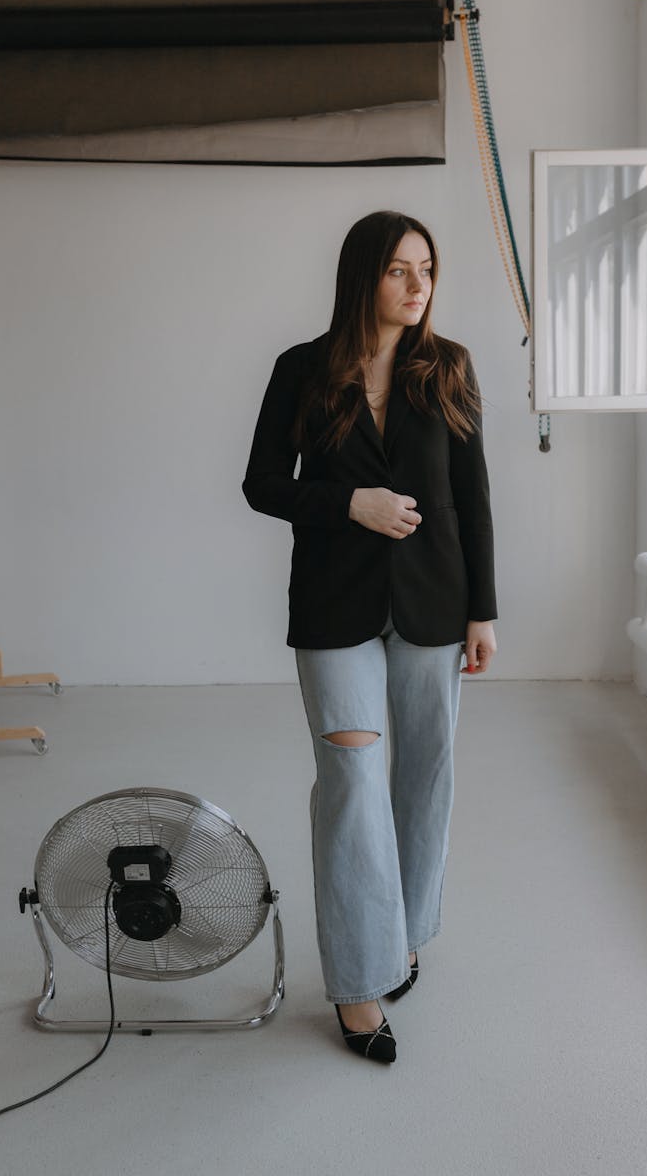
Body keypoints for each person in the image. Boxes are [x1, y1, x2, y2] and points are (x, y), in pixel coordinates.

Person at [242, 210, 497, 1064]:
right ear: (363, 277)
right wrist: (348, 502)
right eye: (398, 269)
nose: (418, 284)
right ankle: (358, 983)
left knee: (424, 774)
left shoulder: (448, 369)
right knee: (351, 776)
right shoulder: (303, 370)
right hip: (333, 604)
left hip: (433, 602)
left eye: (427, 268)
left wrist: (483, 610)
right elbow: (262, 484)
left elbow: (471, 498)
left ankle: (408, 934)